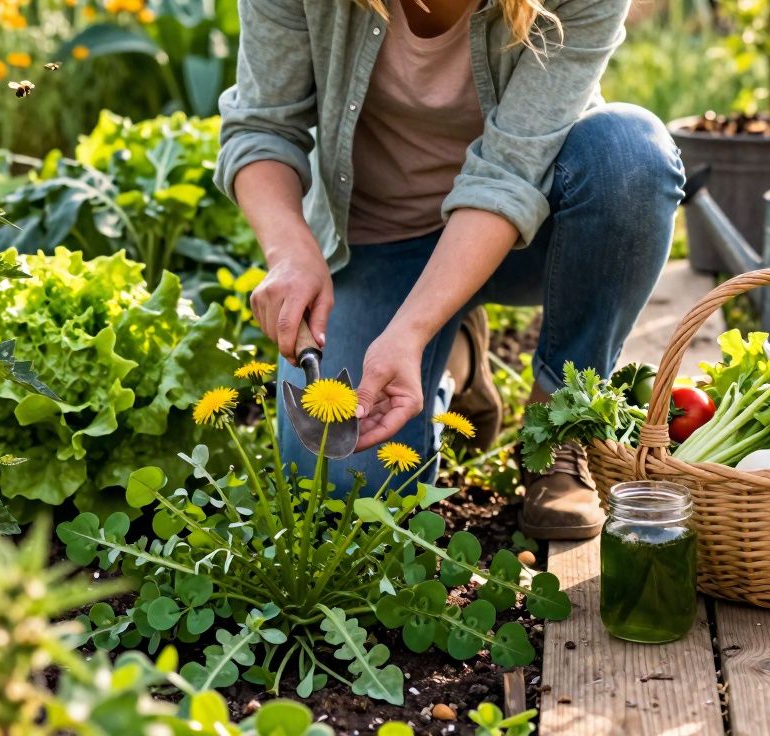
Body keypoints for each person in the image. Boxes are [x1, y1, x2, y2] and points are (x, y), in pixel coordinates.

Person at [214, 0, 685, 539]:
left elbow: (509, 174)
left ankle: (559, 421)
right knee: (340, 488)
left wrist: (410, 330)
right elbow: (261, 125)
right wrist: (290, 250)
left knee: (629, 156)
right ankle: (455, 353)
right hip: (381, 241)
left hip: (533, 235)